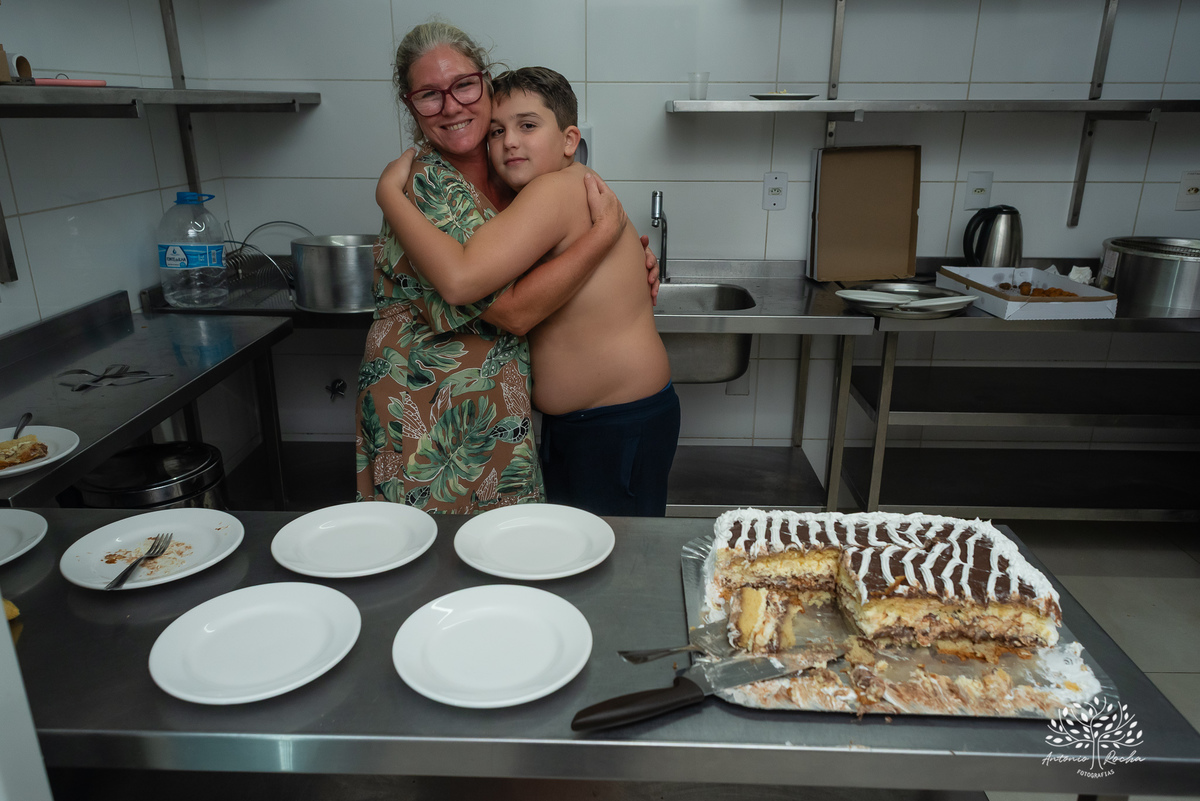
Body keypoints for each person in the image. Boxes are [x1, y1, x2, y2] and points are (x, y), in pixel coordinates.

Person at [356, 21, 657, 514]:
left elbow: (550, 254)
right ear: (411, 106)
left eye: (463, 86)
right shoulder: (428, 181)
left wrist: (625, 252)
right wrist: (604, 237)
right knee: (434, 563)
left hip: (495, 405)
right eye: (429, 95)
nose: (451, 106)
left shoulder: (514, 175)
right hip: (428, 406)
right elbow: (507, 308)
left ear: (485, 83)